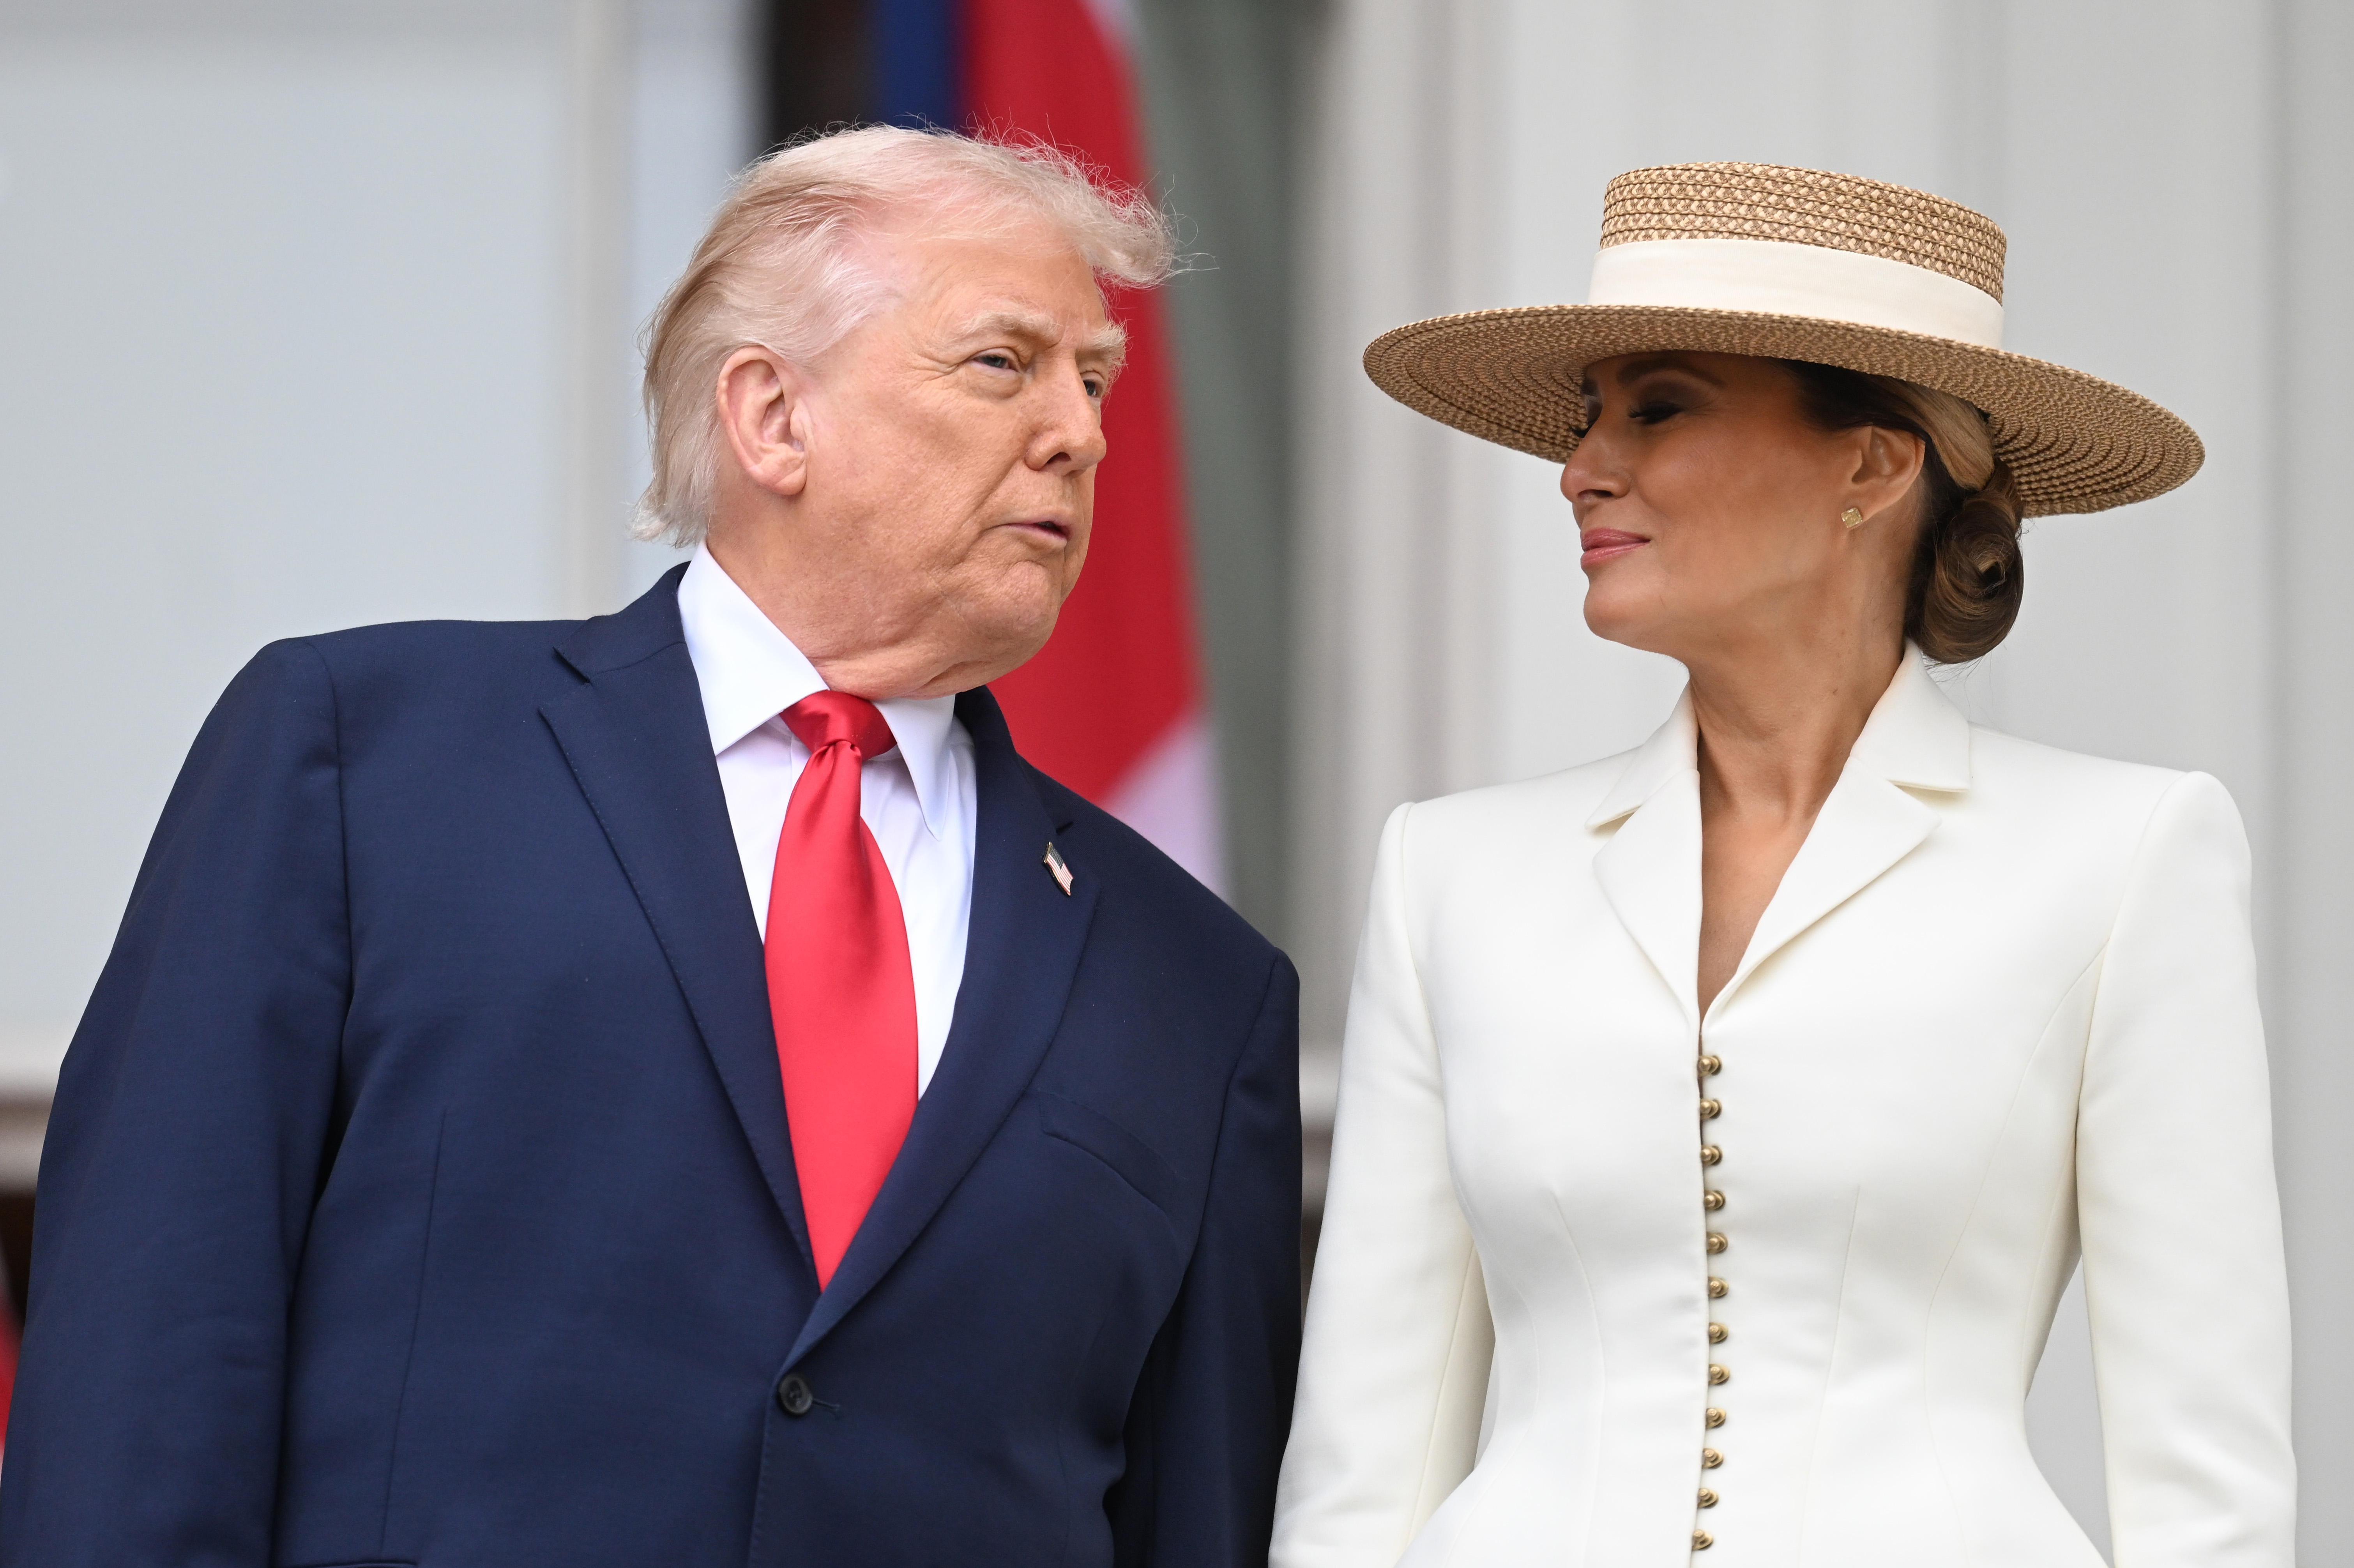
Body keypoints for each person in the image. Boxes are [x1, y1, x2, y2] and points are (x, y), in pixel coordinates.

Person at [0, 126, 1300, 1568]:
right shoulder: (360, 760)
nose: (1082, 430)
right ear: (771, 417)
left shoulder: (1200, 986)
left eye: (1096, 376)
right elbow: (145, 1371)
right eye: (1004, 364)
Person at [1272, 162, 2292, 1567]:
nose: (1581, 469)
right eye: (1587, 417)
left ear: (1873, 464)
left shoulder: (2124, 860)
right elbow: (1359, 1474)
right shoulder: (1446, 877)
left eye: (1661, 406)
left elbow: (2208, 1493)